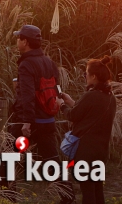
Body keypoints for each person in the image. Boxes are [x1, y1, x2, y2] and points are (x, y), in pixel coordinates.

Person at [5, 25, 74, 203]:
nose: (17, 41)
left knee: (8, 156)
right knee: (52, 160)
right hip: (47, 121)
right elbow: (56, 90)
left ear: (25, 41)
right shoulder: (49, 62)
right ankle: (68, 197)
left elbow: (27, 96)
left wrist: (26, 123)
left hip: (29, 123)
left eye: (19, 38)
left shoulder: (26, 64)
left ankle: (8, 197)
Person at [57, 56, 117, 204]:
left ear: (94, 76)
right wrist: (70, 101)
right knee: (97, 189)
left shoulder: (90, 95)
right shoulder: (111, 98)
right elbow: (89, 112)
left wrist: (61, 105)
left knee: (87, 191)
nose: (85, 77)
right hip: (101, 151)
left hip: (85, 151)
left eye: (86, 74)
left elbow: (72, 115)